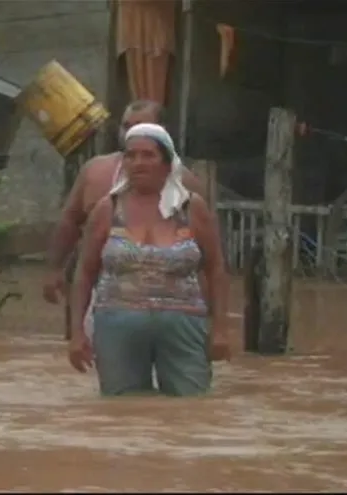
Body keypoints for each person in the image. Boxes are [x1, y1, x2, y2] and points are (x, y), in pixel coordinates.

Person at [68, 123, 230, 397]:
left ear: (167, 163)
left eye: (148, 155)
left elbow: (216, 270)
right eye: (130, 156)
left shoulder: (192, 208)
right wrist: (76, 334)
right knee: (123, 411)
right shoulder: (107, 209)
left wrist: (221, 330)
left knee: (191, 407)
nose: (138, 163)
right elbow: (84, 274)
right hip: (117, 324)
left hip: (184, 325)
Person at [42, 100, 204, 340]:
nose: (131, 132)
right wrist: (54, 269)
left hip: (167, 300)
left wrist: (211, 320)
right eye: (126, 126)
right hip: (102, 291)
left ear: (162, 132)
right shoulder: (95, 172)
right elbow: (70, 221)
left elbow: (207, 256)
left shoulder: (185, 184)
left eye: (141, 126)